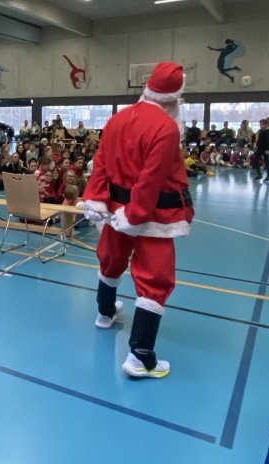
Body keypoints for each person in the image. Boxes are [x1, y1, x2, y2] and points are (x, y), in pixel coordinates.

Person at [80, 62, 194, 379]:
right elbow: (151, 179)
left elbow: (99, 163)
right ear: (174, 97)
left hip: (115, 208)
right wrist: (135, 215)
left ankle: (105, 313)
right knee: (155, 279)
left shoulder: (117, 119)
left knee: (111, 259)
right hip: (153, 215)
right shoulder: (166, 128)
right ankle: (141, 356)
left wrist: (97, 198)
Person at [253, 119, 269, 183]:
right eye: (260, 124)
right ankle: (259, 175)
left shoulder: (268, 132)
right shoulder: (260, 131)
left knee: (267, 163)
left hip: (265, 149)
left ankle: (268, 176)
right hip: (259, 148)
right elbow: (258, 139)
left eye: (261, 124)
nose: (260, 125)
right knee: (255, 161)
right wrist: (256, 145)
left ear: (266, 124)